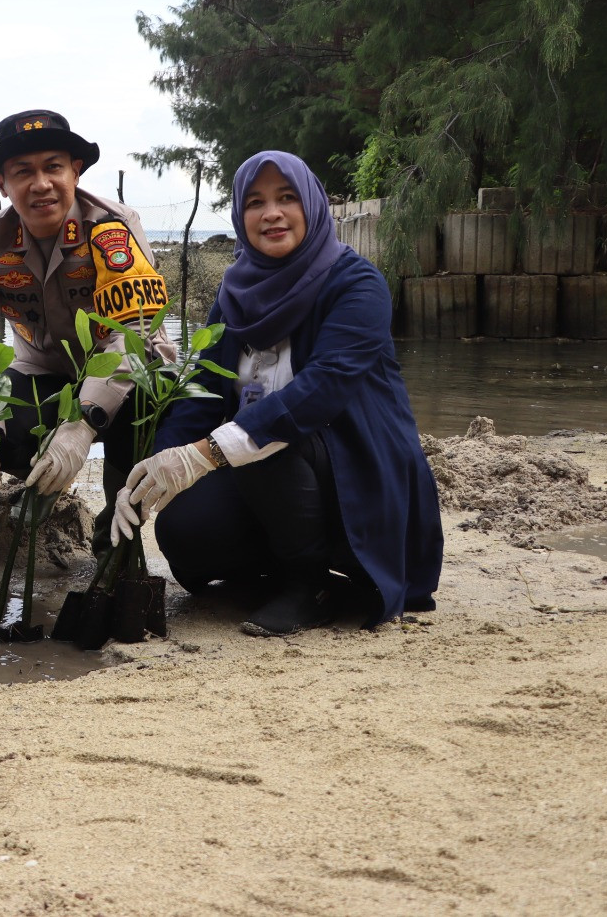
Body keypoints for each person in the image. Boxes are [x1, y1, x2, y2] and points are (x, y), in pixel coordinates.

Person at [110, 150, 443, 636]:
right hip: (270, 472)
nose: (272, 213)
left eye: (287, 197)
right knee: (185, 532)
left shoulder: (357, 283)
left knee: (265, 430)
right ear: (240, 217)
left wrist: (204, 455)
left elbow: (321, 390)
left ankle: (310, 586)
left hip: (353, 465)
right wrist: (161, 467)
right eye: (256, 202)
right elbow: (201, 387)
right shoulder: (233, 295)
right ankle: (280, 566)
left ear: (311, 204)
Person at [0, 110, 176, 519]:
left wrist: (80, 426)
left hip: (130, 367)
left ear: (76, 171)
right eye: (22, 172)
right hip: (43, 369)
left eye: (53, 167)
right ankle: (44, 485)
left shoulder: (113, 228)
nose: (41, 185)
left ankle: (120, 522)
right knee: (2, 426)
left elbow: (131, 334)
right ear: (2, 183)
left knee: (149, 404)